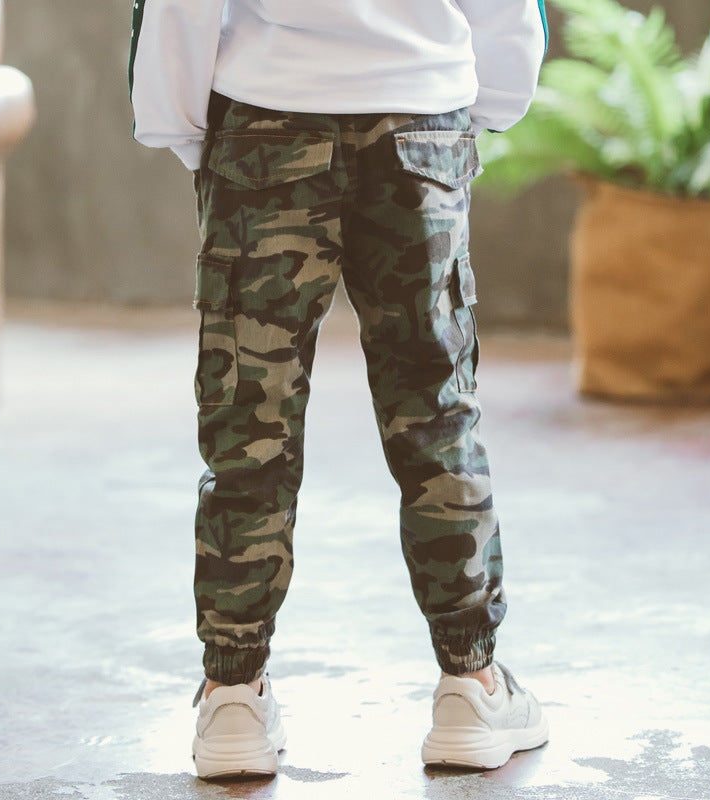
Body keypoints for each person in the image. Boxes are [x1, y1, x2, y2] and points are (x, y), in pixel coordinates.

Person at [129, 0, 550, 780]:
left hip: (265, 118)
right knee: (435, 411)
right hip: (420, 115)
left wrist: (186, 128)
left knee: (249, 416)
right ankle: (470, 685)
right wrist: (482, 103)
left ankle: (233, 696)